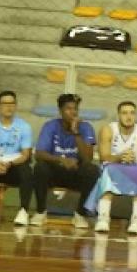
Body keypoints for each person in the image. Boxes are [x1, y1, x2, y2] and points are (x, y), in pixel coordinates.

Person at [85, 101, 137, 235]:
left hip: (135, 168)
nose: (129, 116)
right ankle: (103, 217)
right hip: (112, 167)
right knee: (109, 170)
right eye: (124, 113)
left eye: (132, 113)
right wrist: (120, 157)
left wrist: (132, 159)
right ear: (118, 115)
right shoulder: (108, 130)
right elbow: (103, 157)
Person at [32, 93, 100, 229]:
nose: (73, 112)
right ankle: (40, 212)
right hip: (54, 172)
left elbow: (88, 158)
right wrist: (61, 160)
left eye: (75, 109)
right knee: (40, 167)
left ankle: (80, 214)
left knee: (93, 170)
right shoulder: (50, 126)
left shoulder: (85, 127)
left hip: (75, 173)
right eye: (68, 109)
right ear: (60, 111)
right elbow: (39, 154)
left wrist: (76, 133)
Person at [0, 91, 37, 227]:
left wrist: (9, 164)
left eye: (12, 103)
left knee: (27, 171)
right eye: (5, 103)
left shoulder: (24, 127)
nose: (9, 107)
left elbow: (25, 155)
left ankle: (23, 211)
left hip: (13, 167)